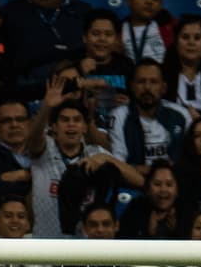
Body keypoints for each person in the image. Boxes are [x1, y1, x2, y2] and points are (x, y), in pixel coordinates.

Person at [28, 75, 142, 238]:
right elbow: (32, 140)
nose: (71, 124)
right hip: (45, 249)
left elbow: (139, 180)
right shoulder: (44, 149)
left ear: (84, 127)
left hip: (82, 252)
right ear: (54, 127)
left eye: (77, 120)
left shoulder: (95, 153)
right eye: (65, 120)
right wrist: (46, 107)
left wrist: (106, 159)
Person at [107, 59, 192, 176]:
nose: (147, 87)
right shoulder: (119, 115)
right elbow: (119, 163)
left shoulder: (181, 115)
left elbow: (191, 158)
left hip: (175, 182)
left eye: (153, 82)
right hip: (133, 183)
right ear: (132, 86)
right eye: (141, 81)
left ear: (164, 87)